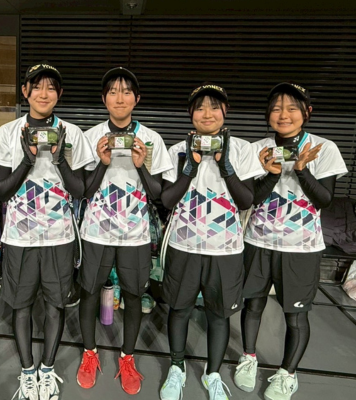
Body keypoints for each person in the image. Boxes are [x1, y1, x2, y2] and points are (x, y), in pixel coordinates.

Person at [0, 62, 93, 400]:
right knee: (21, 306)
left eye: (51, 87)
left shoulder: (72, 134)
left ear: (59, 94)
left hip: (60, 237)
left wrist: (59, 159)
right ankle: (27, 372)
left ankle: (47, 369)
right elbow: (1, 192)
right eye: (37, 86)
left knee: (56, 305)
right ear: (25, 91)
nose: (44, 93)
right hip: (19, 238)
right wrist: (28, 161)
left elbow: (80, 190)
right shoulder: (7, 133)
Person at [234, 82, 347, 400]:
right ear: (267, 114)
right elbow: (249, 199)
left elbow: (324, 199)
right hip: (258, 241)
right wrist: (270, 172)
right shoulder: (256, 149)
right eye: (276, 108)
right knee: (253, 304)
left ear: (307, 112)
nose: (283, 114)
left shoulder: (324, 148)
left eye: (292, 108)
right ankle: (248, 357)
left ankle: (287, 374)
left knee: (296, 315)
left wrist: (301, 169)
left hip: (302, 247)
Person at [159, 84, 262, 400]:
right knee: (179, 310)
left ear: (225, 111)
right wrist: (188, 169)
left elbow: (246, 201)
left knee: (219, 315)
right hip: (183, 246)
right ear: (190, 113)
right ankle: (177, 368)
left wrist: (225, 165)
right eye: (200, 107)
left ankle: (212, 373)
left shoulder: (243, 150)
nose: (207, 113)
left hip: (226, 250)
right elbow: (167, 200)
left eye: (214, 106)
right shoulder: (177, 150)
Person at [76, 67, 172, 395]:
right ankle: (89, 353)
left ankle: (127, 357)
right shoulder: (90, 138)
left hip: (135, 234)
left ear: (137, 99)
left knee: (133, 296)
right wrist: (103, 162)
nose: (120, 97)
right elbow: (83, 191)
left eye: (126, 91)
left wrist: (142, 166)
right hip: (96, 232)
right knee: (89, 292)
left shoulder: (152, 139)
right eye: (113, 91)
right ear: (104, 99)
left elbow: (159, 194)